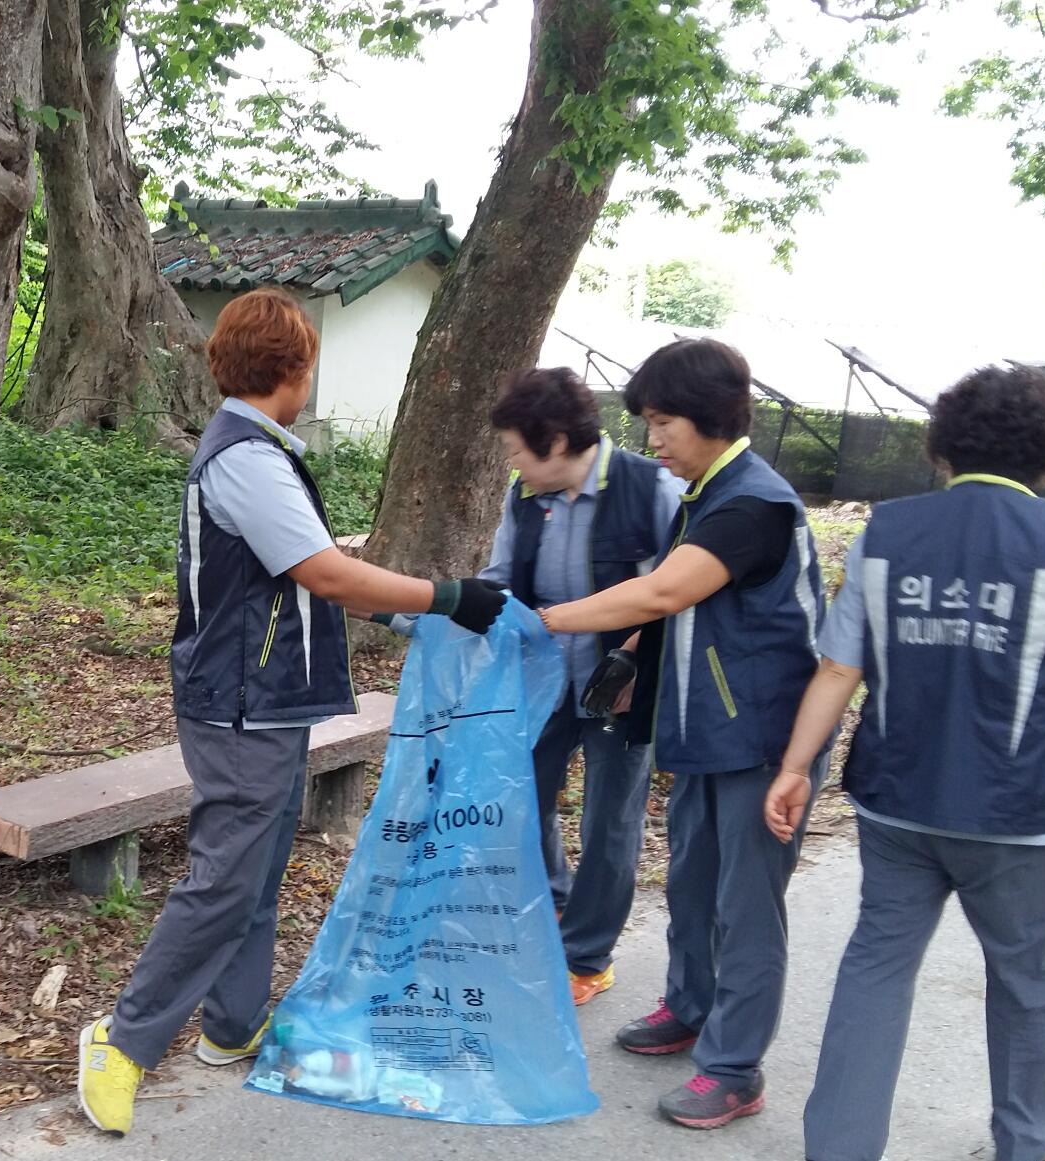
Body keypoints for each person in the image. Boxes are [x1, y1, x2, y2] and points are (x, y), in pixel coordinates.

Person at [75, 286, 507, 1137]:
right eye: (309, 365)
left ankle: (232, 1025)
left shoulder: (259, 450)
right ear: (295, 369)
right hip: (241, 704)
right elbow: (323, 571)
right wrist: (447, 596)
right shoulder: (246, 457)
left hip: (268, 699)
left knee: (259, 867)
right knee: (226, 878)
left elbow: (306, 569)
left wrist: (401, 615)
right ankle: (121, 1041)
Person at [765, 366, 1045, 1161]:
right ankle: (1022, 1143)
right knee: (1026, 979)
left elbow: (838, 667)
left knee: (876, 966)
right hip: (1022, 815)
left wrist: (794, 765)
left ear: (943, 447)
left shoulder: (887, 531)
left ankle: (840, 1147)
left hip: (897, 803)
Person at [531, 338, 828, 1130]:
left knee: (747, 904)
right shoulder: (706, 493)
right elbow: (671, 611)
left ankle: (734, 1068)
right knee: (693, 880)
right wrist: (630, 661)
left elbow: (664, 591)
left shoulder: (753, 504)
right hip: (704, 727)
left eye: (663, 422)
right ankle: (691, 1006)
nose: (652, 438)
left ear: (709, 416)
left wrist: (546, 620)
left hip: (765, 738)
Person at [471, 367, 683, 1005]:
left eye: (516, 448)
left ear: (556, 441)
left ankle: (588, 956)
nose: (512, 461)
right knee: (521, 799)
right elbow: (500, 579)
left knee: (609, 821)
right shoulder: (524, 497)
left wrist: (636, 661)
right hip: (543, 681)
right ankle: (558, 901)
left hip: (621, 681)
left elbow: (679, 590)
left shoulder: (651, 489)